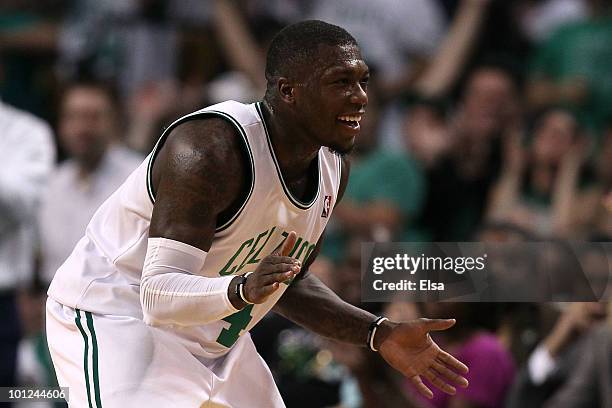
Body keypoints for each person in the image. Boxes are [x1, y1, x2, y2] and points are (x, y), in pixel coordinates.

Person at [46, 20, 468, 407]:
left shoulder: (333, 167)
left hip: (215, 333)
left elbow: (290, 283)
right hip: (118, 316)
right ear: (289, 91)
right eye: (341, 82)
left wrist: (378, 333)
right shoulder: (208, 149)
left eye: (363, 81)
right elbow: (156, 297)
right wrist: (243, 289)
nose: (360, 97)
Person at [38, 81, 142, 285]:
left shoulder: (138, 178)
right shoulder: (51, 184)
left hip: (119, 308)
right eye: (73, 117)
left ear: (115, 122)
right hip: (55, 305)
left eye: (93, 117)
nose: (82, 128)